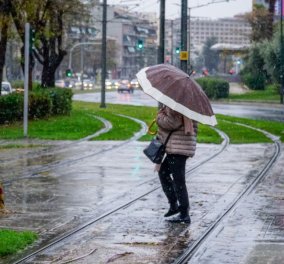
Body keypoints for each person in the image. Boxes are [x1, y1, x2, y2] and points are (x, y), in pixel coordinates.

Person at [155, 105, 198, 224]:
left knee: (179, 180)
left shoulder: (178, 105)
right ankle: (174, 205)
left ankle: (183, 213)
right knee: (163, 172)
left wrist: (159, 116)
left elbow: (171, 123)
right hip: (180, 145)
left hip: (178, 147)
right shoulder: (187, 105)